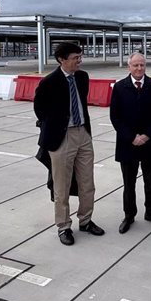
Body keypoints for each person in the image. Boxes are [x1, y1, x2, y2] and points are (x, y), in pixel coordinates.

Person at [34, 42, 105, 246]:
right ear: (62, 60)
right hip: (62, 138)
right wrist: (58, 126)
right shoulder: (49, 82)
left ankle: (86, 220)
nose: (79, 61)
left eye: (80, 57)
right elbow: (40, 109)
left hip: (83, 134)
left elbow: (81, 101)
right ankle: (63, 226)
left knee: (87, 183)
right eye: (75, 58)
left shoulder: (83, 77)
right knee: (61, 186)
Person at [110, 53, 151, 234]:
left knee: (150, 181)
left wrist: (147, 135)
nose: (139, 69)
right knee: (129, 183)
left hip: (149, 142)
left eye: (142, 65)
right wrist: (132, 137)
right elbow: (115, 117)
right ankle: (129, 215)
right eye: (136, 65)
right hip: (128, 144)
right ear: (129, 67)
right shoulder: (119, 87)